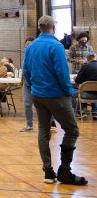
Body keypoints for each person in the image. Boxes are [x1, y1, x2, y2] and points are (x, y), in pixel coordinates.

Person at [23, 15, 87, 185]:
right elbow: (61, 72)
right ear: (53, 28)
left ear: (39, 28)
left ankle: (48, 172)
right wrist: (68, 91)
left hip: (38, 94)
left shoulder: (31, 47)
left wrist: (34, 85)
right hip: (56, 95)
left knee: (43, 131)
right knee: (72, 130)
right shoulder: (56, 46)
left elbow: (26, 71)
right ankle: (65, 170)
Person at [72, 53, 97, 119]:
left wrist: (76, 78)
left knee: (73, 94)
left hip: (86, 94)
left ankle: (80, 112)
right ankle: (95, 112)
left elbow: (77, 81)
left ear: (88, 59)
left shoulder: (85, 66)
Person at [20, 37, 36, 132]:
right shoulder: (26, 56)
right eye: (27, 45)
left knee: (43, 105)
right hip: (27, 84)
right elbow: (24, 71)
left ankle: (50, 125)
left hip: (37, 84)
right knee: (27, 104)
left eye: (30, 45)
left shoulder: (38, 56)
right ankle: (29, 125)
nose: (28, 47)